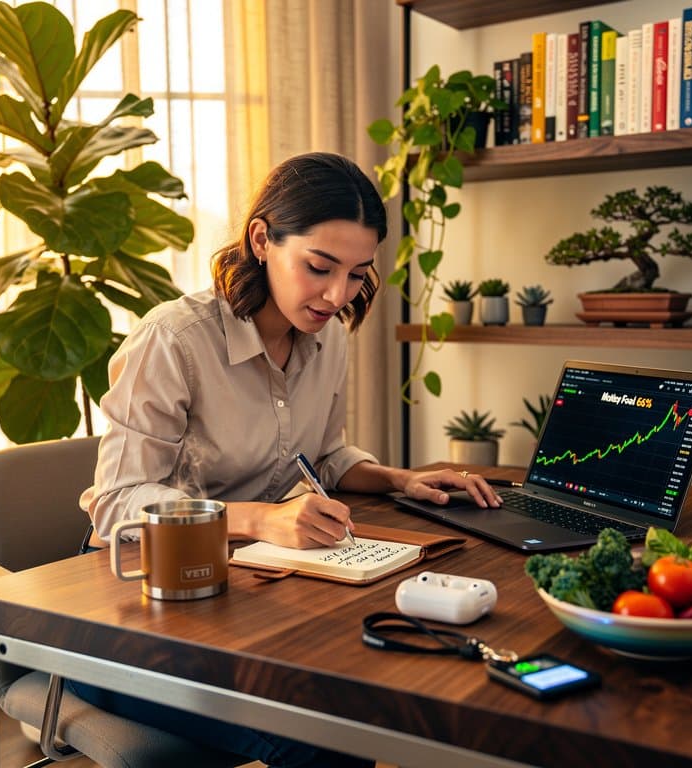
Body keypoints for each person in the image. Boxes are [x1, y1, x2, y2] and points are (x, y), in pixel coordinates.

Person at [74, 151, 501, 767]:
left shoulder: (327, 338)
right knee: (331, 737)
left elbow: (321, 457)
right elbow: (116, 507)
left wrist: (400, 478)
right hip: (133, 618)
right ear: (261, 240)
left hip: (243, 599)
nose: (337, 294)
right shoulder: (174, 340)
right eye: (319, 267)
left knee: (375, 693)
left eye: (358, 274)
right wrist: (257, 519)